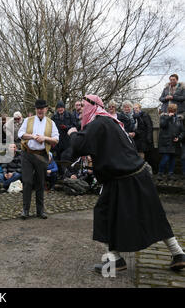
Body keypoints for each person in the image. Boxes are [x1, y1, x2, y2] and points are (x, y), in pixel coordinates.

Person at [68, 94, 185, 273]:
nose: (81, 109)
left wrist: (73, 133)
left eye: (83, 106)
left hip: (122, 179)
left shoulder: (99, 123)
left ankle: (115, 259)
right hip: (137, 174)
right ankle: (178, 254)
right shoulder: (112, 122)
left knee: (104, 214)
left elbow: (79, 145)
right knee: (154, 214)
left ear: (93, 106)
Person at [18, 99, 59, 219]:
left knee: (40, 183)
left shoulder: (51, 123)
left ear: (46, 109)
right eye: (38, 108)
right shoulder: (28, 120)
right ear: (35, 109)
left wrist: (45, 138)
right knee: (27, 182)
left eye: (42, 108)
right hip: (27, 154)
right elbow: (20, 134)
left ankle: (40, 210)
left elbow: (56, 139)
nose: (40, 110)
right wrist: (32, 136)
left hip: (41, 155)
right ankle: (25, 210)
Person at [158, 104, 183, 179]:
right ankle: (160, 173)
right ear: (168, 110)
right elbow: (162, 125)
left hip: (174, 142)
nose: (173, 112)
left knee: (173, 159)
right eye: (171, 110)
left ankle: (170, 173)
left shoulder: (179, 119)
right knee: (165, 158)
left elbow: (183, 131)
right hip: (166, 142)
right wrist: (169, 117)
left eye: (174, 110)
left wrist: (179, 138)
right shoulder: (163, 117)